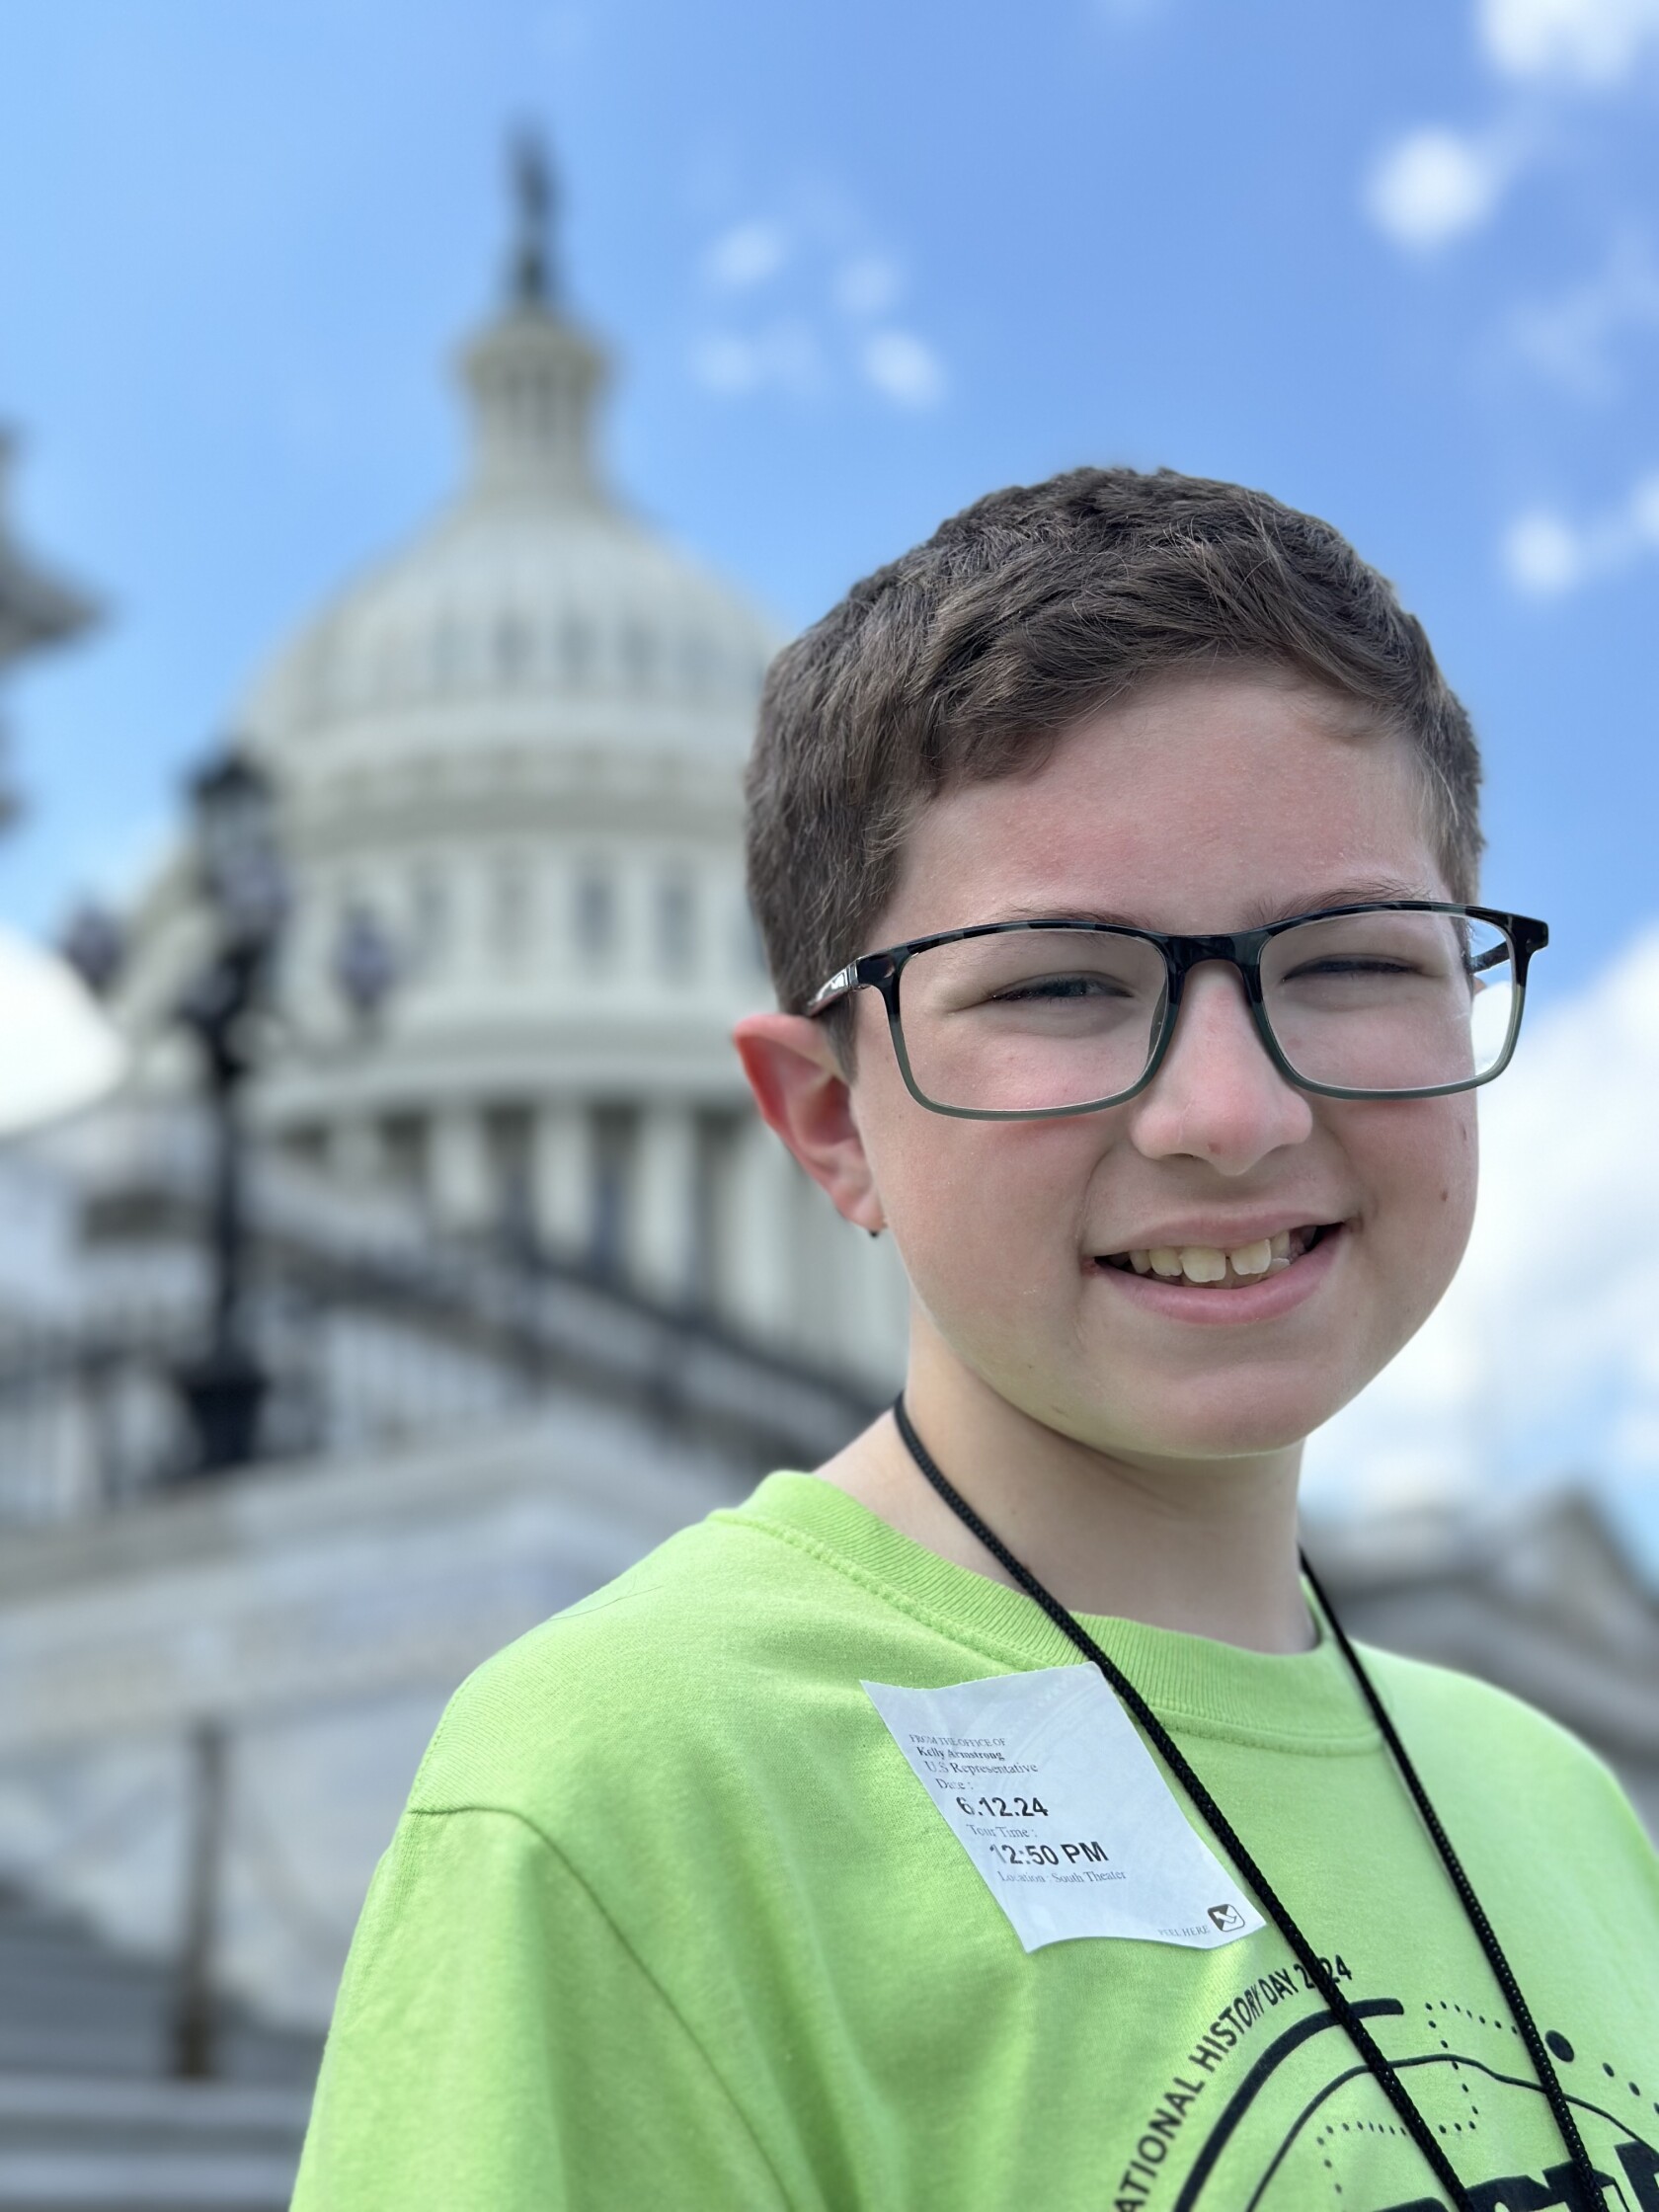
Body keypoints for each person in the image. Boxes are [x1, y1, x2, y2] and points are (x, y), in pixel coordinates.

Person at [291, 468, 1659, 2212]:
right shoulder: (630, 1797)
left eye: (1352, 961)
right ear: (829, 1116)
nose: (1228, 1114)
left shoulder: (1557, 1802)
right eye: (1059, 985)